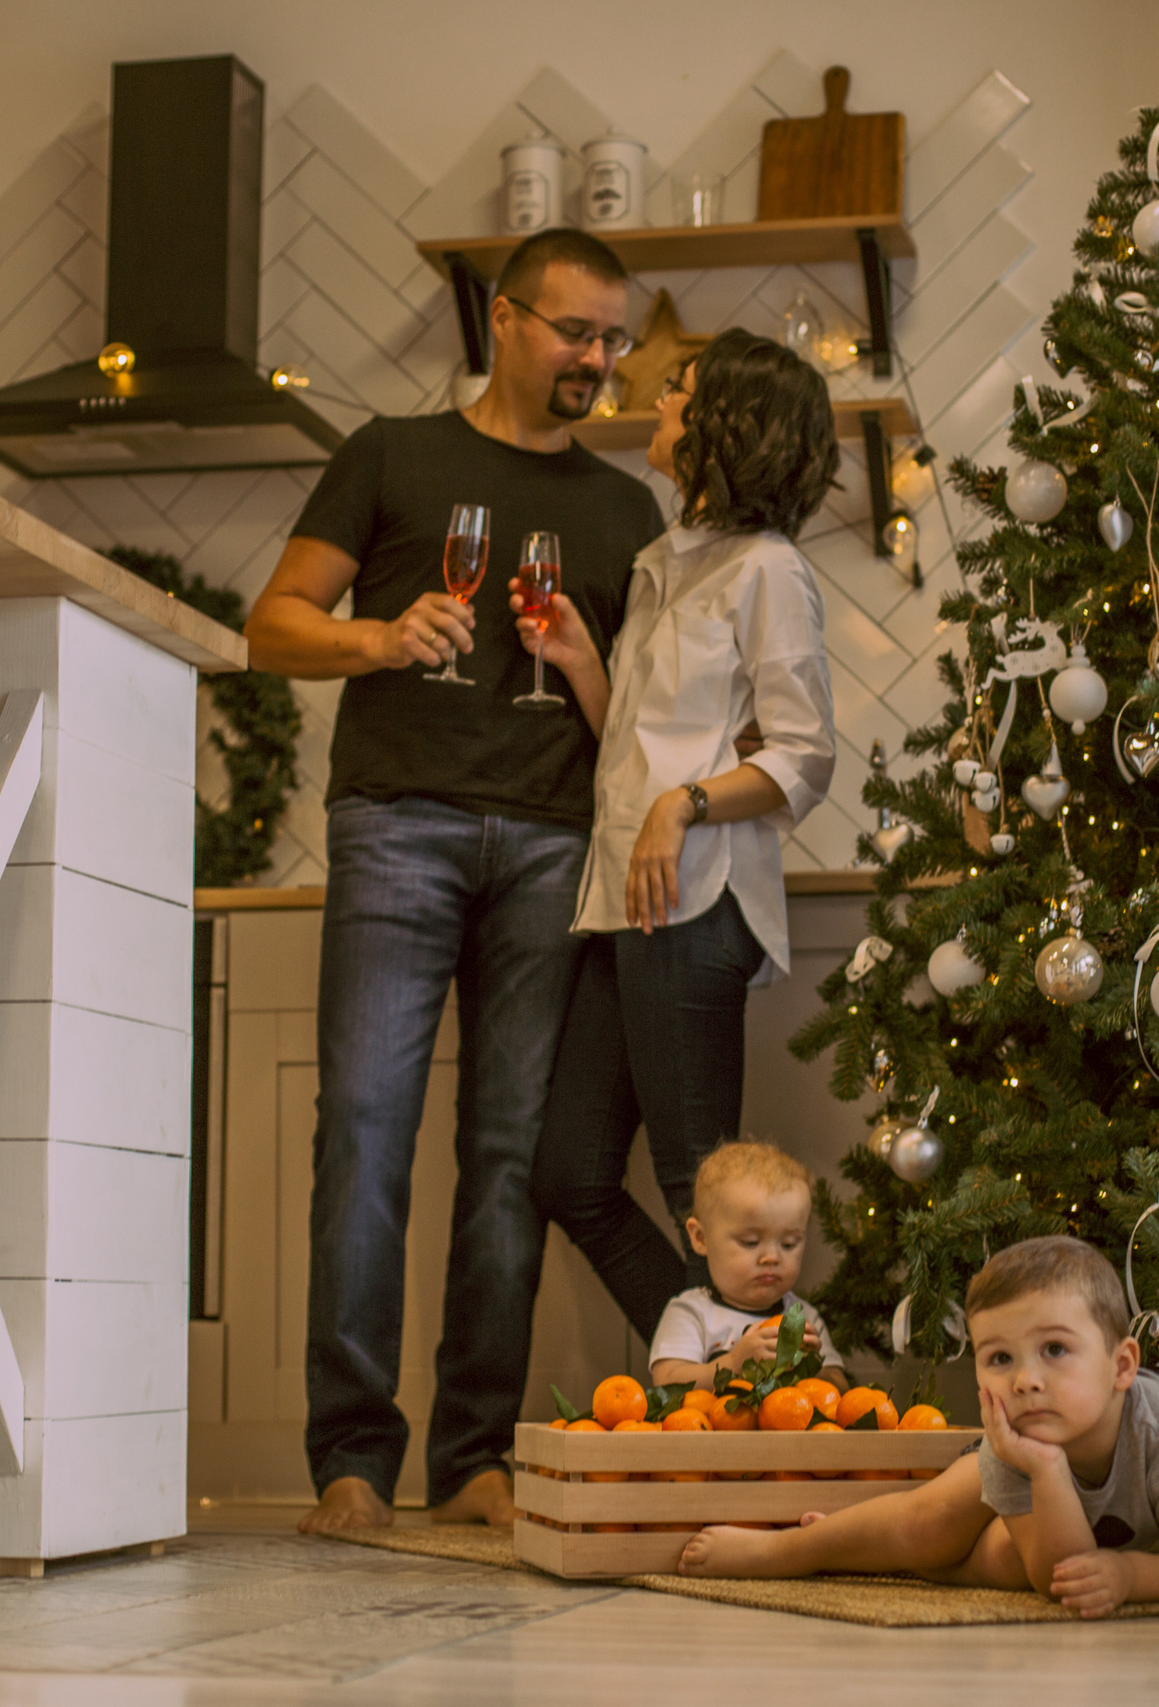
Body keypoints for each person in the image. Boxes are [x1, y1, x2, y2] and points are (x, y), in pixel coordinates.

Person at [245, 228, 666, 1534]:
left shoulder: (623, 508)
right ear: (505, 318)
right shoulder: (388, 454)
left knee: (505, 1158)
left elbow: (645, 729)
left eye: (613, 338)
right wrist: (378, 634)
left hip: (553, 845)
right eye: (575, 331)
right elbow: (271, 626)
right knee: (363, 1135)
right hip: (396, 826)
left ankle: (476, 1452)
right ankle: (352, 1460)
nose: (598, 359)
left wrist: (591, 660)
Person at [517, 328, 838, 1346]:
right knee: (570, 1173)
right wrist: (580, 665)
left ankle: (764, 1409)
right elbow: (646, 743)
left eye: (679, 394)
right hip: (627, 904)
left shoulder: (767, 571)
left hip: (697, 906)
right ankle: (731, 1367)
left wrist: (684, 806)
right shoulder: (667, 561)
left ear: (723, 427)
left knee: (708, 1194)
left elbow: (804, 753)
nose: (657, 405)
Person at [676, 1236, 1159, 1618]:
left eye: (1054, 1349)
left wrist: (1129, 1575)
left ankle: (871, 1550)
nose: (1025, 1380)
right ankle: (795, 1551)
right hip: (1010, 1467)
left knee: (1002, 1566)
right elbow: (1060, 1570)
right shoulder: (1014, 1430)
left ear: (1122, 1365)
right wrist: (1042, 1463)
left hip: (1071, 1538)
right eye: (1000, 1359)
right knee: (928, 1524)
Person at [646, 1142, 844, 1386]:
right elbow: (667, 1383)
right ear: (700, 1238)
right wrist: (733, 1364)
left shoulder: (802, 1319)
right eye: (750, 1242)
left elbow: (841, 1386)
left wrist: (810, 1368)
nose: (771, 1257)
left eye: (789, 1244)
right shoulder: (692, 1313)